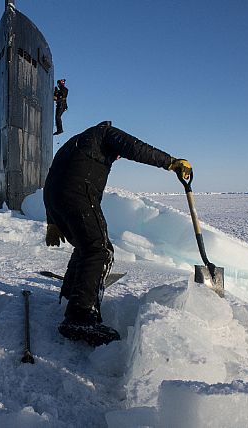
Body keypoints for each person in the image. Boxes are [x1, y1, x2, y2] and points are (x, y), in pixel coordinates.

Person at [43, 120, 191, 346]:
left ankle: (69, 299)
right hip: (78, 193)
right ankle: (80, 316)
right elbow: (135, 147)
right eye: (118, 154)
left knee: (86, 247)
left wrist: (52, 220)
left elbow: (52, 177)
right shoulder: (105, 133)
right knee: (99, 251)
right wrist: (170, 162)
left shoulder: (75, 144)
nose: (118, 157)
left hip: (57, 197)